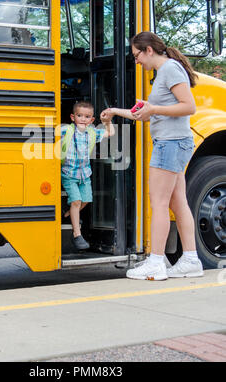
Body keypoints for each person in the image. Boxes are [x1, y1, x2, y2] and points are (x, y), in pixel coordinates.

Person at [101, 31, 204, 280]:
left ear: (149, 50)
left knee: (157, 202)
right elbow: (147, 112)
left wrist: (154, 108)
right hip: (173, 142)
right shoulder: (164, 72)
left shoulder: (169, 69)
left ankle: (156, 263)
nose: (136, 61)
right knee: (178, 202)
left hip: (169, 144)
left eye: (137, 55)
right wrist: (115, 111)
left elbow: (189, 106)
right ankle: (190, 259)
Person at [61, 101, 115, 250]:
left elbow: (110, 133)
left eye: (87, 116)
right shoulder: (67, 130)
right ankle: (77, 235)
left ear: (92, 120)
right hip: (69, 173)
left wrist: (107, 121)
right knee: (76, 201)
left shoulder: (92, 132)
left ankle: (66, 215)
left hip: (85, 174)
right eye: (79, 115)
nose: (83, 119)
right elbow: (51, 131)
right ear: (73, 117)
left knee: (85, 200)